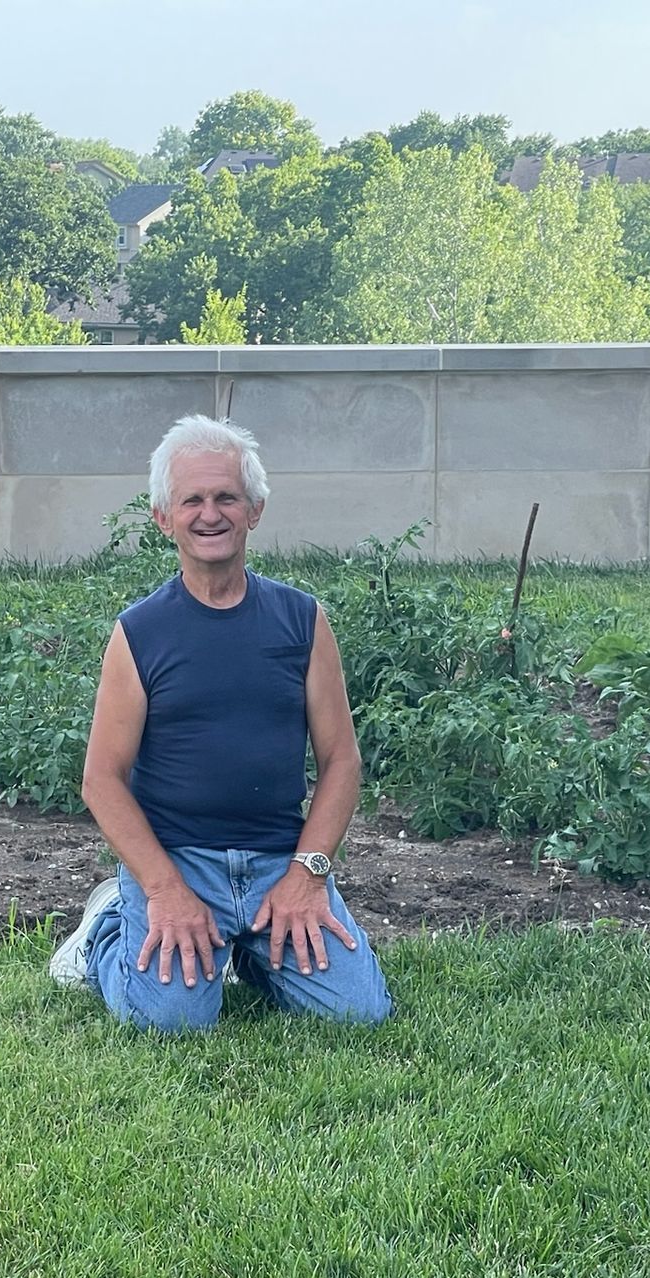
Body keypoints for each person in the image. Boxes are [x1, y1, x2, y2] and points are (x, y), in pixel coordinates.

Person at [49, 414, 393, 1033]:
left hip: (278, 863)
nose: (211, 514)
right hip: (178, 860)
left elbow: (342, 760)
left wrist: (307, 875)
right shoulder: (139, 634)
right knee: (173, 1024)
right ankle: (106, 936)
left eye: (226, 497)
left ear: (254, 509)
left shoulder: (302, 621)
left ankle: (253, 950)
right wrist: (162, 890)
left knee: (357, 1015)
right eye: (192, 500)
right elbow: (102, 777)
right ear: (164, 517)